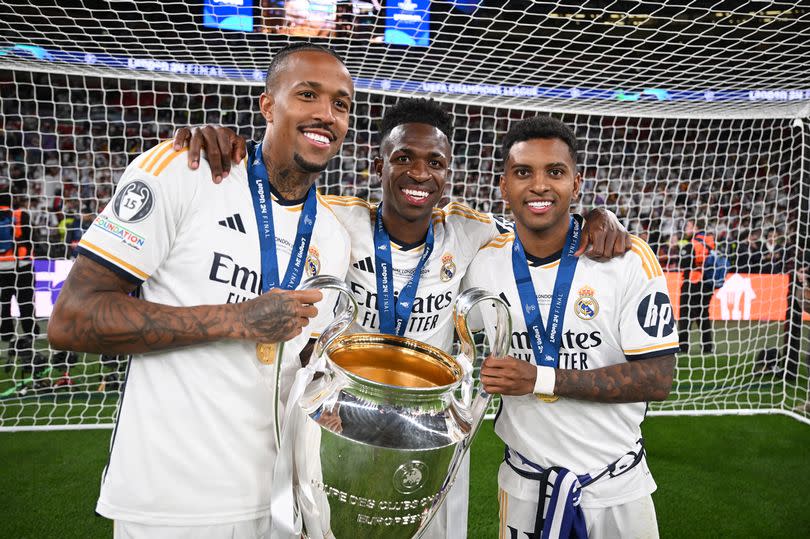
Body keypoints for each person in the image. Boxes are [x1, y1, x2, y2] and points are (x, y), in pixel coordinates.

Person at [174, 98, 631, 538]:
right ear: (378, 166)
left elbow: (542, 226)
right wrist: (226, 148)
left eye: (435, 162)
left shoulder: (473, 234)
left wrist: (597, 214)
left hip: (430, 432)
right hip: (341, 421)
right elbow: (275, 198)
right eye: (404, 158)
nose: (419, 172)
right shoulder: (336, 220)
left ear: (447, 174)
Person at [47, 42, 353, 539]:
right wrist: (239, 320)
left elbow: (301, 361)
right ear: (268, 105)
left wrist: (331, 397)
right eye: (307, 94)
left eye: (341, 104)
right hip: (174, 504)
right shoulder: (184, 171)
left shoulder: (333, 237)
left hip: (282, 505)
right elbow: (72, 319)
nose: (326, 114)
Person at [463, 116, 677, 538]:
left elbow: (657, 378)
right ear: (503, 185)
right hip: (525, 485)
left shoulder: (627, 259)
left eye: (555, 172)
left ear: (576, 184)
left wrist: (539, 377)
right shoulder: (483, 263)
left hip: (617, 485)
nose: (539, 185)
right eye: (523, 172)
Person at [0, 192, 48, 385]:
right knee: (26, 301)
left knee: (4, 300)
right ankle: (29, 332)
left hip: (2, 265)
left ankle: (6, 331)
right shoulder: (21, 215)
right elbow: (30, 237)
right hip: (23, 264)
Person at [677, 218, 717, 353]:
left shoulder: (692, 245)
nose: (685, 229)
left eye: (688, 226)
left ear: (695, 228)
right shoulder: (711, 243)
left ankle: (683, 346)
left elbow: (683, 263)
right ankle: (707, 346)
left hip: (692, 282)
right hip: (708, 283)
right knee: (703, 315)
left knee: (685, 315)